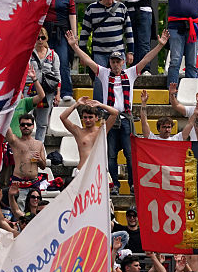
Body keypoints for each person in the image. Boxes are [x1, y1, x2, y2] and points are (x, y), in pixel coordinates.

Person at [67, 28, 169, 193]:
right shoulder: (104, 73)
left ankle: (132, 184)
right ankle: (114, 184)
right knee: (111, 154)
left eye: (118, 61)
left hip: (127, 116)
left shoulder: (130, 73)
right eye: (113, 61)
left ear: (123, 62)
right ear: (110, 63)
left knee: (130, 154)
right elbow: (88, 60)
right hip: (110, 117)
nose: (115, 64)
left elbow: (146, 59)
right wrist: (75, 47)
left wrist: (160, 45)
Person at [78, 0, 134, 102]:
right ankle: (98, 106)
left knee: (121, 78)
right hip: (100, 52)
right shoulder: (91, 9)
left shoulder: (121, 8)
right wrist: (82, 54)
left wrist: (131, 51)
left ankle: (123, 105)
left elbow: (129, 31)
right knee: (99, 80)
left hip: (118, 51)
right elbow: (84, 33)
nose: (110, 1)